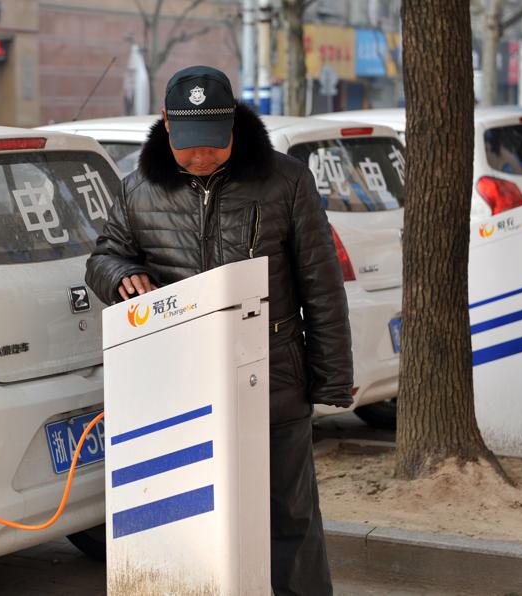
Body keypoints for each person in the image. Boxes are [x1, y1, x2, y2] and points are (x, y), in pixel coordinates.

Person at [85, 65, 353, 595]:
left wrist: (331, 381)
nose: (201, 156)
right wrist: (120, 274)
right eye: (189, 145)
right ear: (166, 124)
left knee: (289, 516)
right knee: (195, 514)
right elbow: (103, 256)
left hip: (273, 377)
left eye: (212, 142)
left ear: (233, 124)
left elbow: (322, 287)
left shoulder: (287, 181)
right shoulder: (138, 189)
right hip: (180, 386)